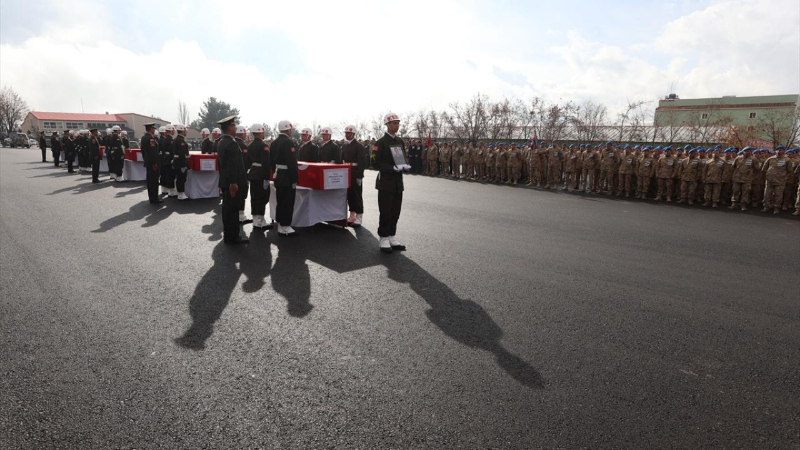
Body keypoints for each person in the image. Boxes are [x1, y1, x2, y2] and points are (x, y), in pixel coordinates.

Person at [374, 113, 409, 253]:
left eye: (398, 123)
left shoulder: (400, 141)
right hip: (385, 182)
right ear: (387, 125)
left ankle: (392, 236)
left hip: (397, 183)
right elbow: (375, 162)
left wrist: (405, 166)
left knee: (395, 211)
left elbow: (402, 158)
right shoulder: (380, 142)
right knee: (385, 211)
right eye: (394, 123)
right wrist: (391, 168)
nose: (397, 125)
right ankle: (383, 238)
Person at [216, 116, 249, 244]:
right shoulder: (231, 143)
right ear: (230, 127)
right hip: (232, 182)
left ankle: (229, 235)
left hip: (225, 181)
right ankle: (233, 236)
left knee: (227, 209)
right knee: (233, 211)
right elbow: (233, 166)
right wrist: (234, 183)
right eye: (234, 125)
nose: (236, 127)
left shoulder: (222, 141)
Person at [270, 120, 299, 237]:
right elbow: (292, 163)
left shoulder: (274, 142)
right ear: (288, 129)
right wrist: (294, 179)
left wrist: (275, 172)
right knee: (287, 202)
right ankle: (285, 226)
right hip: (287, 176)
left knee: (280, 201)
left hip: (278, 174)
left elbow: (271, 161)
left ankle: (281, 225)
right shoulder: (288, 142)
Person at [247, 123, 272, 230]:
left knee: (254, 197)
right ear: (260, 132)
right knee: (262, 197)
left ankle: (255, 220)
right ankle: (260, 221)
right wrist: (267, 177)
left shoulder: (250, 145)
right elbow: (266, 163)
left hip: (253, 173)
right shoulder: (264, 146)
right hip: (261, 174)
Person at [342, 124, 366, 227]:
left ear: (353, 134)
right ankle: (352, 215)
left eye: (349, 133)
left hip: (355, 171)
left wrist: (359, 176)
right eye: (346, 133)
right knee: (350, 194)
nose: (347, 135)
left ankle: (359, 216)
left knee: (357, 194)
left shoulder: (358, 146)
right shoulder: (345, 145)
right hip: (347, 171)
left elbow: (362, 162)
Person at [760, 145, 793, 214]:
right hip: (770, 180)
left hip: (780, 181)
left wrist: (784, 177)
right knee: (767, 194)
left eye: (781, 150)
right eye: (778, 150)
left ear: (783, 151)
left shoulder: (787, 160)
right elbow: (764, 169)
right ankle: (766, 207)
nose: (779, 151)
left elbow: (790, 171)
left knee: (778, 195)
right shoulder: (770, 159)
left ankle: (776, 208)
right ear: (776, 151)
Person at [141, 123, 162, 204]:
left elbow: (143, 151)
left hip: (148, 162)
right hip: (153, 163)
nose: (154, 130)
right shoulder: (151, 139)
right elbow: (153, 152)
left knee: (150, 181)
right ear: (151, 129)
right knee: (154, 181)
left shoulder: (143, 137)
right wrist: (154, 163)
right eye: (154, 128)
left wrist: (146, 159)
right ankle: (154, 198)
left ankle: (152, 198)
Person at [172, 124, 190, 200]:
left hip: (177, 161)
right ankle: (181, 194)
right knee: (181, 178)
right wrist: (184, 164)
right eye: (185, 131)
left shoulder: (176, 139)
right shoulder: (181, 140)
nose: (186, 132)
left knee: (179, 178)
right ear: (182, 131)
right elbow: (182, 154)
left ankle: (180, 193)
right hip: (180, 162)